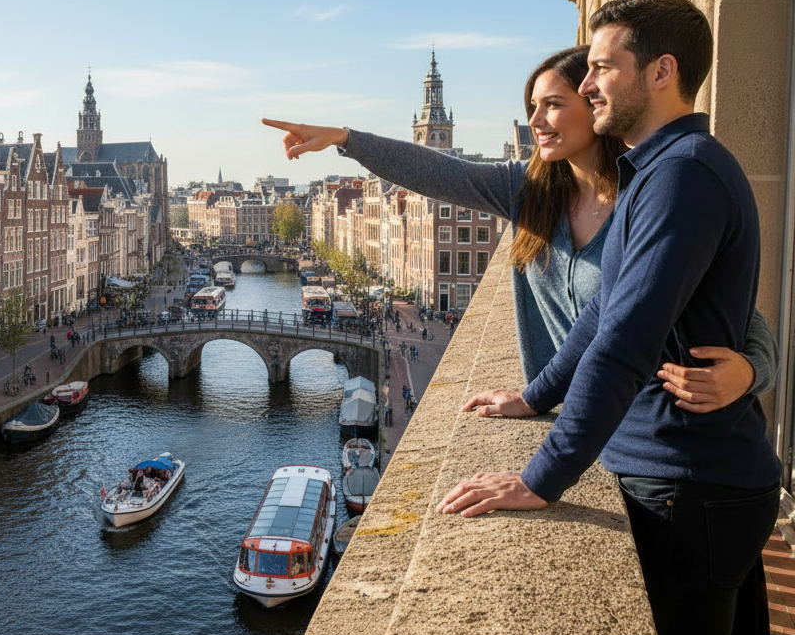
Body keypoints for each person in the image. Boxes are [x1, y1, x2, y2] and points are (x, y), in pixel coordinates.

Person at [434, 0, 780, 635]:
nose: (587, 83)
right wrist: (536, 395)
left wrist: (541, 477)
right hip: (686, 479)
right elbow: (600, 314)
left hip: (689, 484)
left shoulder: (684, 176)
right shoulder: (655, 170)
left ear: (661, 72)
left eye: (602, 67)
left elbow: (625, 339)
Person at [262, 42, 775, 407]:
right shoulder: (528, 191)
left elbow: (730, 306)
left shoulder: (650, 194)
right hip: (580, 424)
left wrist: (753, 371)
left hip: (656, 433)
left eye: (553, 104)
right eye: (532, 107)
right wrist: (345, 138)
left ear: (596, 107)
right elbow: (439, 172)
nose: (535, 121)